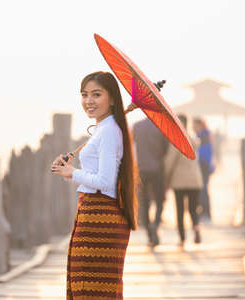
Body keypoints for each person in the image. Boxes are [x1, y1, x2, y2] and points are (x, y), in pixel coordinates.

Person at [51, 71, 138, 299]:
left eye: (96, 94)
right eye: (84, 94)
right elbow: (97, 179)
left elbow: (105, 181)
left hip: (100, 218)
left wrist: (74, 172)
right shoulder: (105, 128)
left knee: (91, 290)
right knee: (89, 288)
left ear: (111, 99)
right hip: (94, 214)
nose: (88, 101)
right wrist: (69, 173)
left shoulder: (109, 131)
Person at [164, 114, 203, 248]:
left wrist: (166, 178)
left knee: (180, 210)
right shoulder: (193, 139)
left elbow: (169, 162)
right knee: (193, 208)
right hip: (194, 179)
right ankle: (196, 227)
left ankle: (182, 238)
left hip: (179, 180)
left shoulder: (176, 139)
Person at [132, 117, 168, 247]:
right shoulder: (161, 127)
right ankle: (155, 225)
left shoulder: (136, 126)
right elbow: (166, 149)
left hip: (141, 169)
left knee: (144, 201)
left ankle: (149, 232)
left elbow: (131, 146)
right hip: (157, 169)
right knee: (160, 200)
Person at [193, 118, 214, 222]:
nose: (193, 127)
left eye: (194, 125)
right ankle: (205, 212)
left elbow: (204, 152)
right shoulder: (203, 135)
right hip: (204, 164)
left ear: (199, 125)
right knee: (203, 189)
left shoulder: (203, 136)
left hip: (203, 165)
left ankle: (206, 213)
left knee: (203, 189)